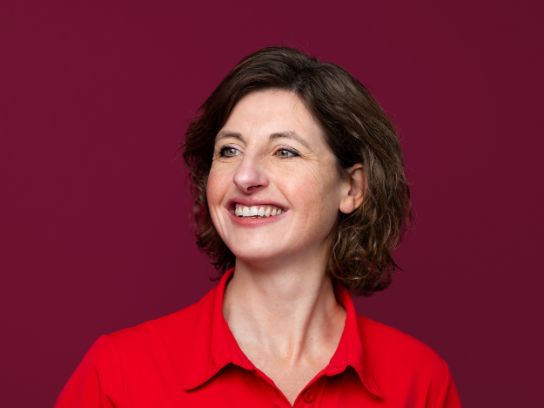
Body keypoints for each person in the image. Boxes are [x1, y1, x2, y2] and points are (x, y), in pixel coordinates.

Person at [55, 46, 461, 407]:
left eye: (285, 152)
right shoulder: (117, 374)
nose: (245, 176)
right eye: (229, 150)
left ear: (352, 188)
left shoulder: (419, 381)